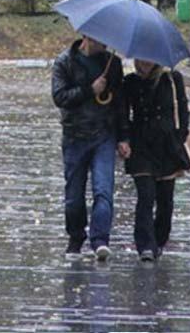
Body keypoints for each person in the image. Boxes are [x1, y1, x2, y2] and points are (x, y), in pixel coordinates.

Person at [52, 35, 128, 261]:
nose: (103, 42)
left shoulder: (112, 64)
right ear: (86, 36)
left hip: (104, 135)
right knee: (74, 195)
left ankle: (100, 240)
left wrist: (124, 137)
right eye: (98, 38)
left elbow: (119, 103)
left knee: (103, 190)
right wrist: (89, 90)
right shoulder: (65, 62)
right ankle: (76, 237)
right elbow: (60, 97)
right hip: (75, 136)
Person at [121, 59, 190, 261]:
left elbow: (183, 108)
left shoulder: (172, 79)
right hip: (141, 145)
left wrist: (180, 135)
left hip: (168, 146)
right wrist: (124, 139)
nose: (144, 63)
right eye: (140, 59)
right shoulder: (130, 82)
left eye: (149, 59)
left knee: (165, 200)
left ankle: (159, 240)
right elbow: (123, 114)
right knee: (146, 195)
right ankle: (145, 245)